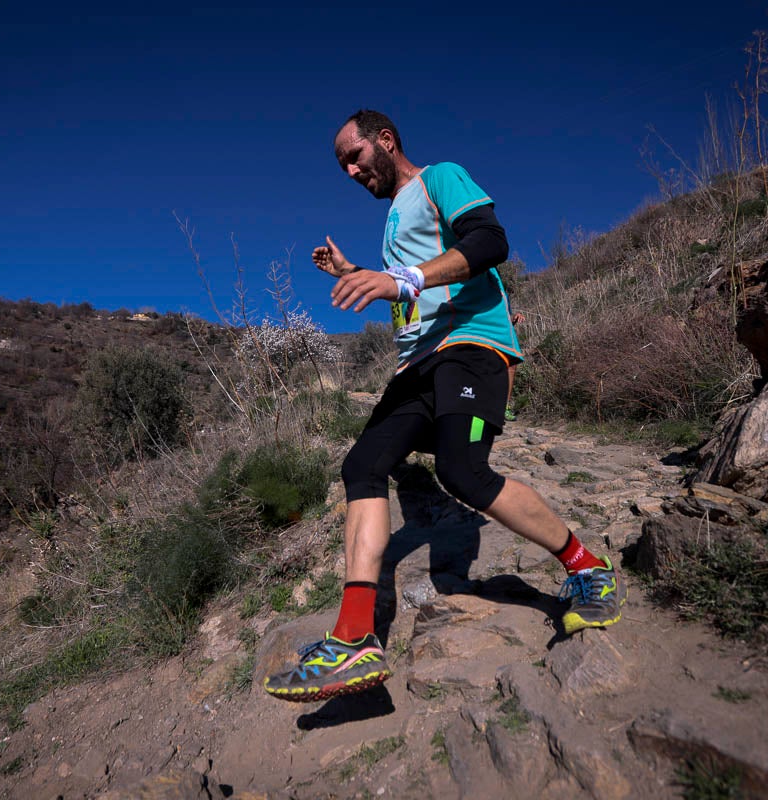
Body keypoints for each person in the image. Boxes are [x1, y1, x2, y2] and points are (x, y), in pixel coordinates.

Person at [263, 110, 624, 703]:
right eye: (342, 166)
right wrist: (359, 273)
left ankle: (587, 567)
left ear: (386, 140)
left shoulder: (440, 179)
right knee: (361, 466)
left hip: (472, 346)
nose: (350, 171)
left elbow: (489, 242)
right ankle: (354, 639)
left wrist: (401, 280)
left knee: (462, 471)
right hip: (416, 365)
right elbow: (408, 291)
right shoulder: (390, 221)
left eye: (354, 156)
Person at [505, 311, 525, 422]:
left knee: (511, 365)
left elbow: (506, 319)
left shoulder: (502, 296)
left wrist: (514, 317)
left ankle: (505, 407)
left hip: (499, 336)